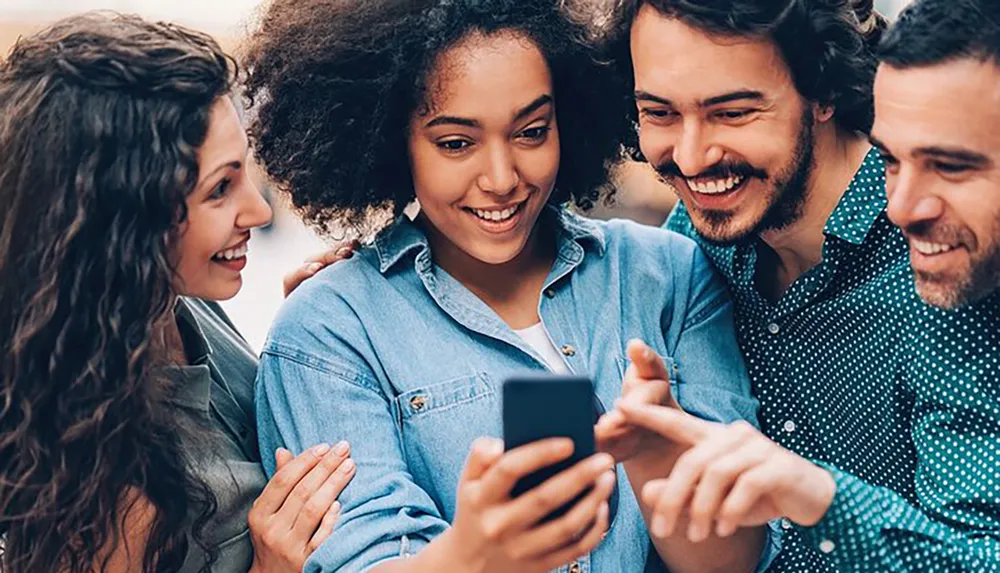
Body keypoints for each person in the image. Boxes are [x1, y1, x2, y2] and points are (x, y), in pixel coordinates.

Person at [244, 0, 779, 571]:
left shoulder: (668, 275)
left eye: (531, 132)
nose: (501, 180)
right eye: (455, 143)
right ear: (391, 141)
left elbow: (735, 562)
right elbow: (359, 556)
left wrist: (658, 456)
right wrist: (477, 555)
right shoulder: (328, 333)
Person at [602, 0, 1000, 570]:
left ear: (823, 93)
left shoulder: (948, 255)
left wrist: (819, 497)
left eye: (733, 112)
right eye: (660, 114)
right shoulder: (690, 244)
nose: (690, 157)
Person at [0, 13, 353, 573]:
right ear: (125, 219)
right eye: (220, 189)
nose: (259, 212)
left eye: (246, 174)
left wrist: (303, 342)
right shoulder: (104, 484)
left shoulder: (176, 302)